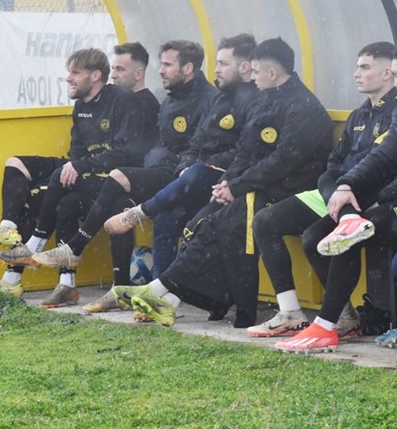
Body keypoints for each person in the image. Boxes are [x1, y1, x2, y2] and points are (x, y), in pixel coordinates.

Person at [116, 38, 334, 329]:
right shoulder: (265, 98)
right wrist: (227, 182)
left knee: (232, 222)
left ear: (271, 73)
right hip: (257, 188)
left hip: (293, 192)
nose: (252, 77)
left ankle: (166, 291)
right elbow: (245, 151)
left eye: (255, 72)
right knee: (202, 224)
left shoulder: (304, 108)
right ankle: (171, 296)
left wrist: (238, 186)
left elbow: (283, 161)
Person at [275, 42, 397, 353]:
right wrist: (347, 184)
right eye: (395, 74)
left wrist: (380, 198)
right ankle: (341, 319)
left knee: (352, 237)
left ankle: (327, 325)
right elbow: (383, 155)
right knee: (318, 235)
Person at [27, 40, 216, 306]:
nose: (160, 70)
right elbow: (159, 145)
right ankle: (117, 290)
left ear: (188, 68)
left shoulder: (202, 99)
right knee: (81, 200)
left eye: (167, 64)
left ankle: (70, 248)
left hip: (178, 177)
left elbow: (194, 147)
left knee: (116, 182)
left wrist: (178, 164)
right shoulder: (171, 97)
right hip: (156, 174)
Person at [97, 33, 259, 314]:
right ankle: (161, 299)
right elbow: (197, 141)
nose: (216, 69)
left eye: (223, 63)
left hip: (230, 181)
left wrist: (207, 167)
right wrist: (186, 164)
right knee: (168, 216)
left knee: (195, 200)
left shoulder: (252, 100)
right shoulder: (219, 98)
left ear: (244, 67)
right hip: (201, 177)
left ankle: (139, 214)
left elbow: (246, 151)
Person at [247, 41, 397, 338]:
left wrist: (345, 185)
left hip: (365, 198)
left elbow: (378, 164)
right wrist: (337, 186)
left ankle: (341, 315)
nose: (356, 74)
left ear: (387, 74)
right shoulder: (359, 115)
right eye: (357, 66)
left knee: (314, 238)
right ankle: (290, 311)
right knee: (265, 221)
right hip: (335, 194)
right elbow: (334, 162)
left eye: (365, 67)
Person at [0, 47, 151, 307]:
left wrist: (79, 166)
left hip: (121, 182)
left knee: (64, 188)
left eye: (75, 73)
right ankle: (62, 282)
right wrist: (76, 166)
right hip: (89, 175)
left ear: (95, 76)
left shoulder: (123, 100)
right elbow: (77, 151)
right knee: (55, 193)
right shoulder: (81, 106)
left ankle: (32, 249)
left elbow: (127, 153)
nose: (68, 78)